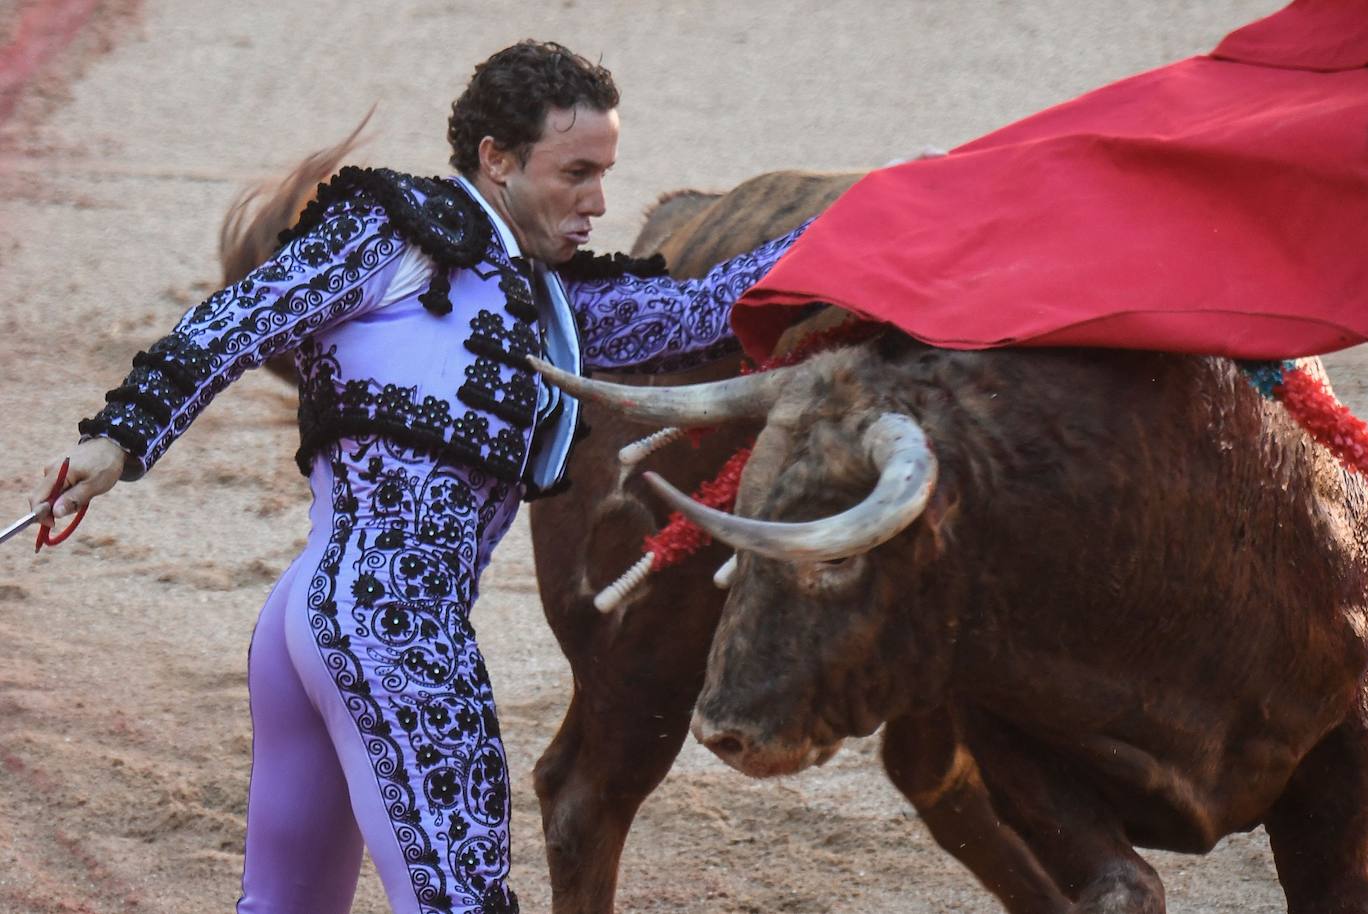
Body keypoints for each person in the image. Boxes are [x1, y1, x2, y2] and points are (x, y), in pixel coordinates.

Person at [27, 40, 805, 914]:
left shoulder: (559, 306)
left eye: (606, 173)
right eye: (576, 171)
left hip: (311, 624)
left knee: (285, 907)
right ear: (497, 159)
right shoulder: (397, 234)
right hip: (396, 631)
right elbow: (241, 318)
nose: (598, 202)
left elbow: (707, 309)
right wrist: (120, 438)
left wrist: (874, 220)